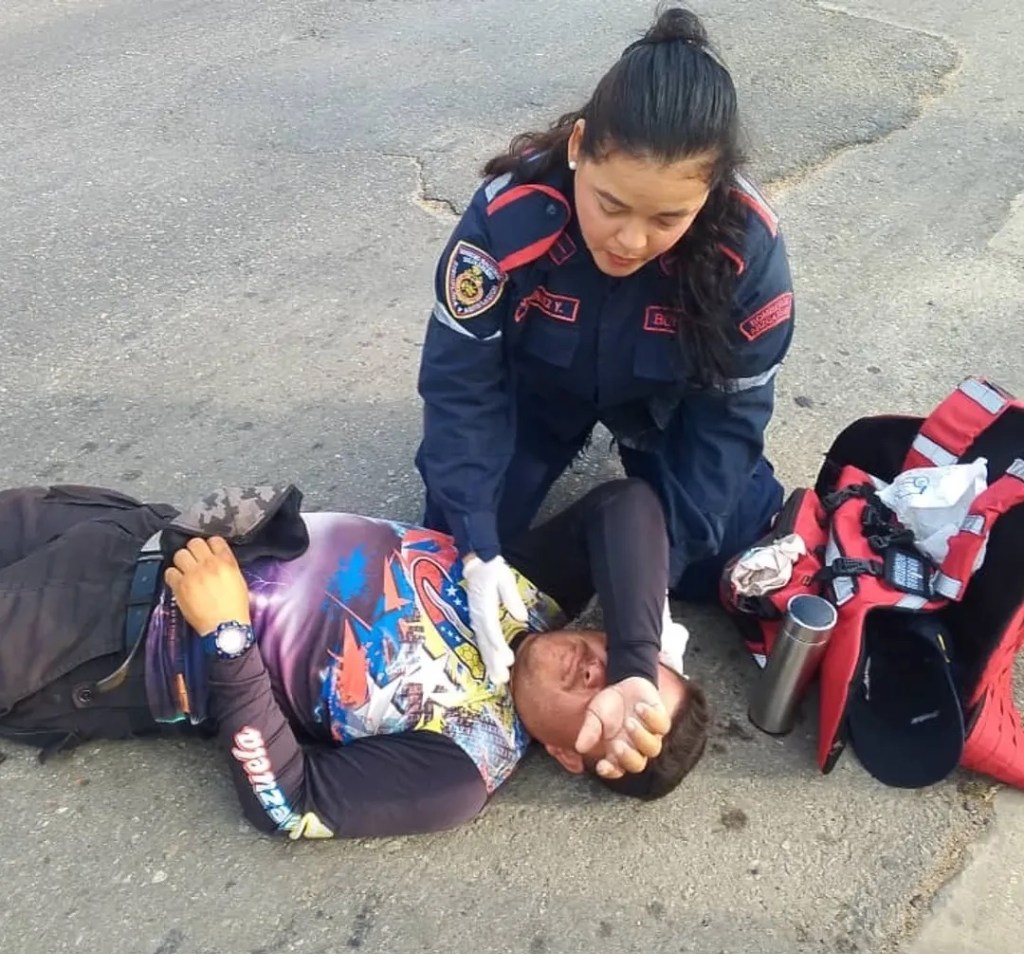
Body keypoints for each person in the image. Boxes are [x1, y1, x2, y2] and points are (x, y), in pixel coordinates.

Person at [415, 6, 794, 687]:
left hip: (668, 406)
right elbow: (460, 381)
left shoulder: (749, 253)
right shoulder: (508, 216)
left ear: (708, 191)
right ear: (579, 146)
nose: (630, 240)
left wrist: (655, 579)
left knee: (719, 563)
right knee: (449, 558)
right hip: (537, 394)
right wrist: (474, 541)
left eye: (667, 218)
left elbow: (729, 421)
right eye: (611, 204)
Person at [0, 477, 708, 840]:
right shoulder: (533, 595)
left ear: (570, 757)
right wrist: (640, 660)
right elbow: (627, 504)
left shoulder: (463, 766)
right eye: (623, 669)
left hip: (89, 642)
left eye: (606, 704)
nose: (599, 671)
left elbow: (289, 803)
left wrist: (228, 636)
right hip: (132, 528)